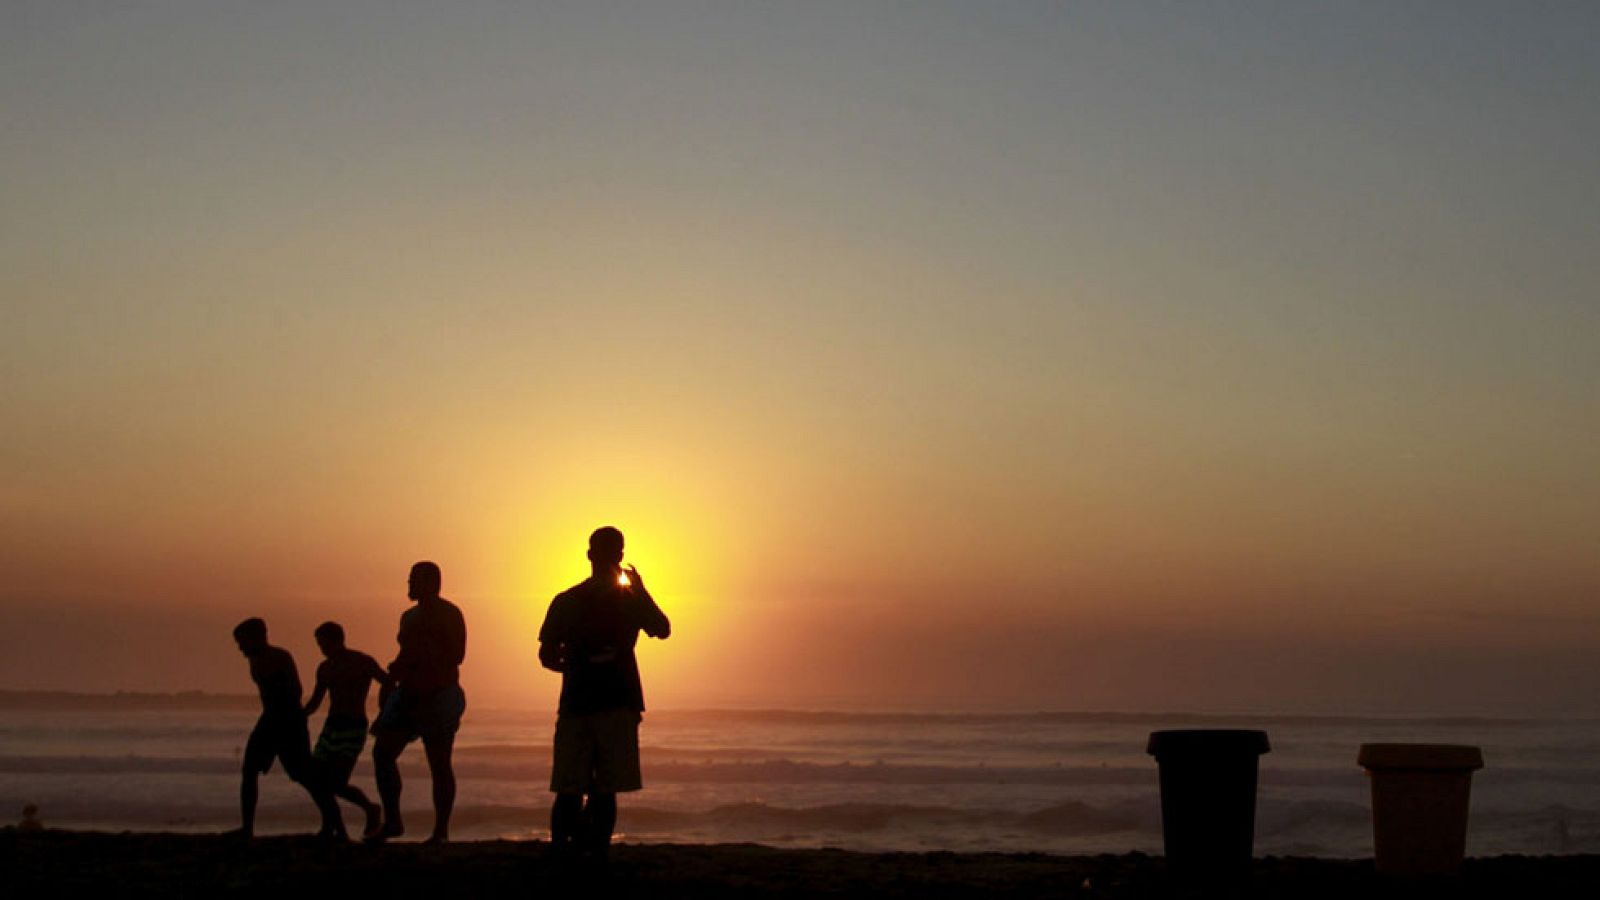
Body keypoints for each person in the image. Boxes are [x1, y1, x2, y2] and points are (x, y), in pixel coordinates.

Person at [538, 526, 671, 864]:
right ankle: (595, 852)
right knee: (604, 787)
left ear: (589, 554)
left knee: (570, 786)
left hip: (580, 702)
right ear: (620, 556)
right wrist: (642, 591)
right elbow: (662, 628)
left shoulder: (567, 600)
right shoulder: (628, 601)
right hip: (614, 701)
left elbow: (547, 656)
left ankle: (563, 852)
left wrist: (574, 664)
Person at [369, 561, 467, 844]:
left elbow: (456, 655)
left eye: (415, 580)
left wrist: (420, 663)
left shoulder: (450, 614)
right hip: (408, 694)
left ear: (432, 583)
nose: (409, 585)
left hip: (439, 695)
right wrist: (396, 673)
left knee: (439, 762)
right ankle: (393, 821)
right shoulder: (407, 617)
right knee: (382, 753)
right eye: (409, 579)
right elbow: (405, 652)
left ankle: (440, 831)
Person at [229, 618, 341, 839]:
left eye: (243, 642)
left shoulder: (278, 657)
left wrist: (284, 723)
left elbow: (295, 691)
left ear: (258, 637)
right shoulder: (254, 659)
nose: (240, 647)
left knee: (304, 774)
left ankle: (333, 825)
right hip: (269, 720)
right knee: (249, 770)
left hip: (288, 721)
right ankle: (247, 828)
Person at [304, 621, 391, 839]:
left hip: (353, 728)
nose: (322, 649)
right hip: (331, 728)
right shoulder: (324, 668)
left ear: (337, 640)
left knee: (336, 782)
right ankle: (330, 826)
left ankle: (371, 809)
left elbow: (388, 683)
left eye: (324, 644)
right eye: (319, 645)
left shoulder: (361, 662)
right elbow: (315, 702)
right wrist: (296, 716)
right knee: (317, 780)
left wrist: (383, 714)